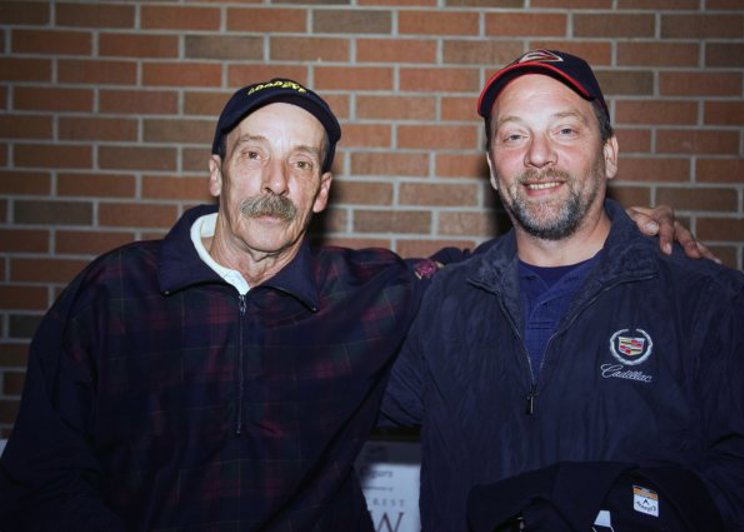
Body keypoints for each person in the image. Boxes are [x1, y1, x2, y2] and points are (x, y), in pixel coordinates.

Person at [0, 77, 708, 531]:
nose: (275, 182)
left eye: (301, 163)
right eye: (253, 155)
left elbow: (495, 264)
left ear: (322, 191)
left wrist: (612, 227)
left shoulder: (366, 296)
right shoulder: (113, 294)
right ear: (216, 172)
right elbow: (42, 479)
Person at [380, 50, 744, 531]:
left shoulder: (704, 302)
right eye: (514, 135)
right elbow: (332, 386)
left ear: (609, 154)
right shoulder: (446, 303)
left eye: (565, 130)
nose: (539, 155)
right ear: (493, 170)